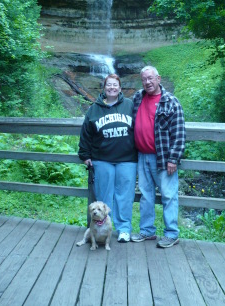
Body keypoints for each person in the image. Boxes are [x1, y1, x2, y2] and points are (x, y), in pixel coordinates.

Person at [131, 66, 186, 248]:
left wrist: (173, 159)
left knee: (168, 196)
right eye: (144, 79)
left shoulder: (171, 102)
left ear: (158, 78)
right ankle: (147, 231)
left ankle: (171, 234)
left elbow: (178, 133)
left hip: (162, 158)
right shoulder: (138, 97)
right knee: (146, 196)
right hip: (142, 156)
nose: (147, 82)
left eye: (150, 78)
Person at [78, 74, 138, 243]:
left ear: (120, 88)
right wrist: (85, 154)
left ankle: (124, 228)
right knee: (104, 197)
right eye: (109, 85)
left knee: (124, 196)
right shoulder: (94, 109)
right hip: (101, 158)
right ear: (104, 88)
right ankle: (99, 230)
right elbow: (86, 133)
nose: (112, 87)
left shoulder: (130, 105)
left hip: (127, 159)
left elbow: (139, 128)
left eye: (115, 85)